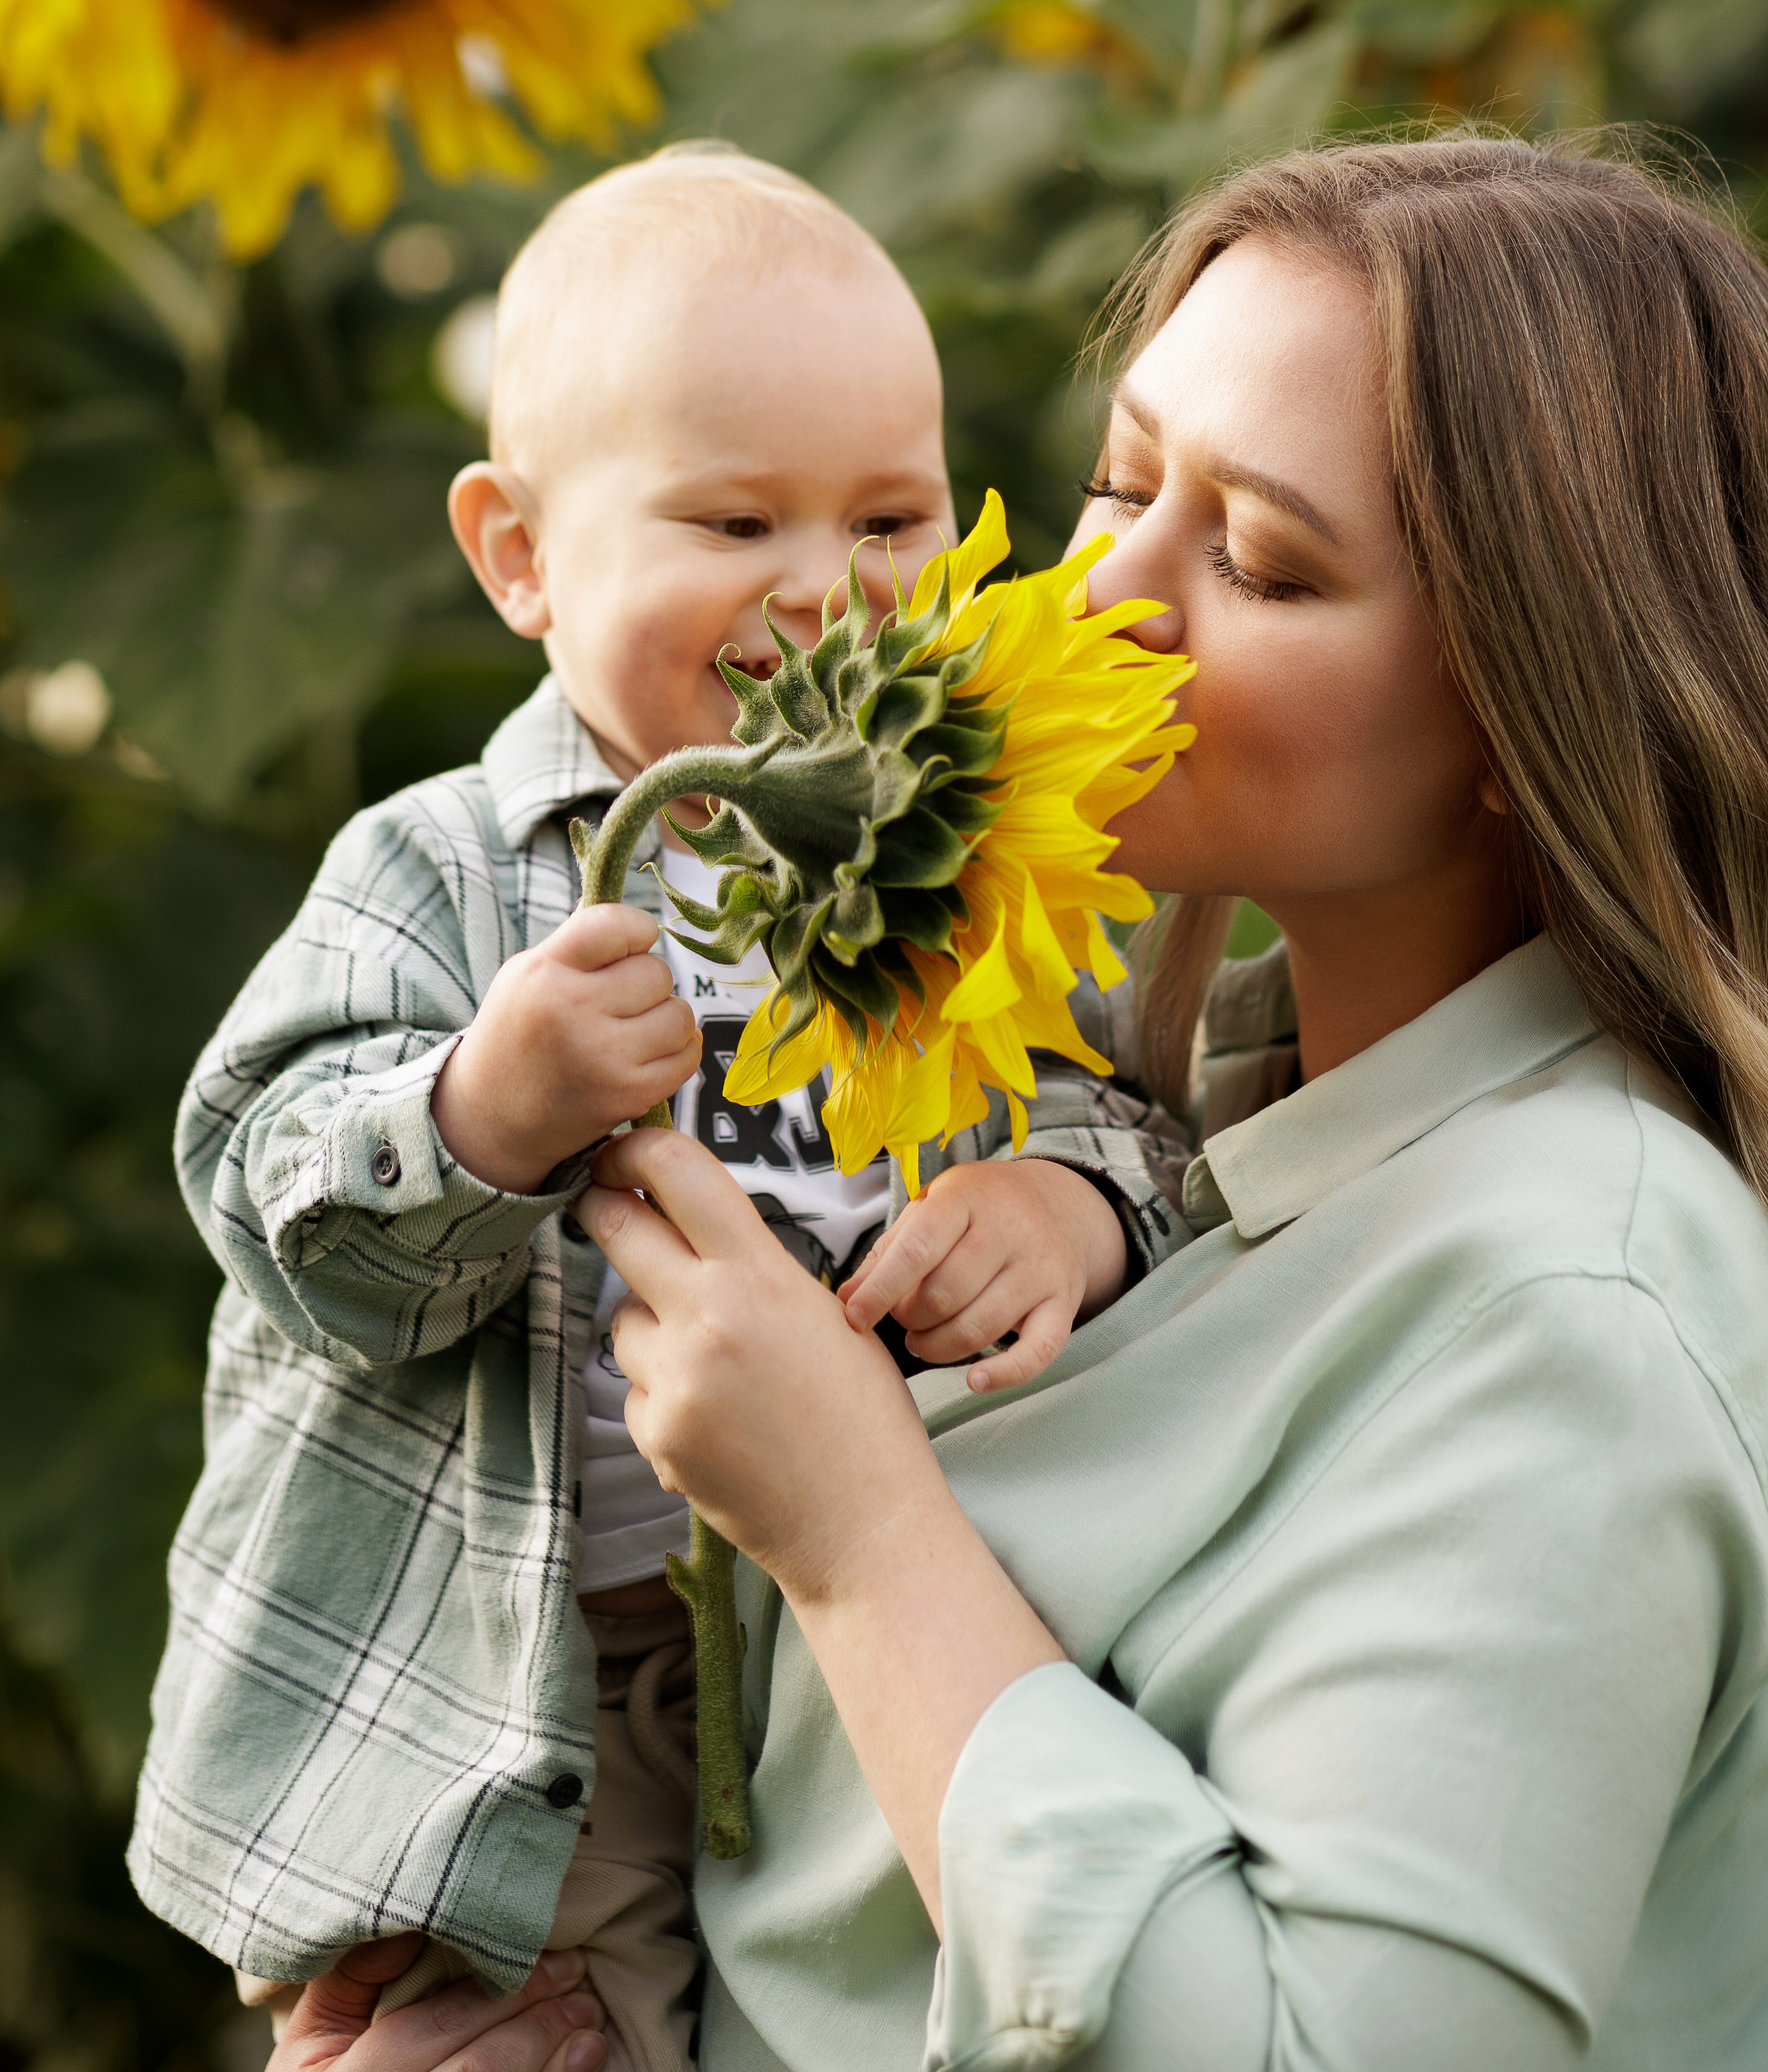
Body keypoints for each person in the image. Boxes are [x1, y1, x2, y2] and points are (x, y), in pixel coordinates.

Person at [557, 135, 1768, 2071]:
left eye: (1264, 561)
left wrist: (859, 1536)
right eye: (1123, 481)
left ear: (1526, 726)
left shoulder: (1581, 1320)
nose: (1099, 593)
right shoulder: (1193, 1107)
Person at [128, 146, 1159, 2072]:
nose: (828, 591)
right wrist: (475, 1110)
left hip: (861, 1623)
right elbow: (265, 1193)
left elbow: (1116, 1095)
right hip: (526, 1682)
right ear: (519, 554)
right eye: (735, 517)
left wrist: (1074, 1198)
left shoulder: (947, 857)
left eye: (890, 517)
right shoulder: (443, 875)